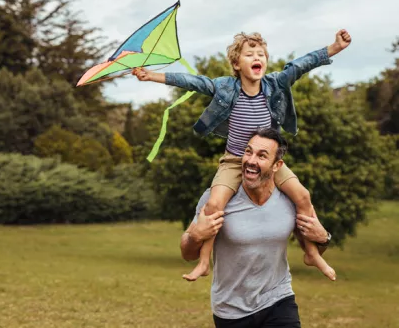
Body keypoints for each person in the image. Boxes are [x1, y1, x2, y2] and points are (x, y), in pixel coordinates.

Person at [133, 29, 351, 281]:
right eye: (249, 54)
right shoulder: (226, 88)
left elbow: (302, 63)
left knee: (303, 196)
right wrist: (152, 76)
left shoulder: (275, 83)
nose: (257, 57)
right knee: (213, 205)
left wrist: (334, 47)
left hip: (268, 162)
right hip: (234, 159)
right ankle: (204, 262)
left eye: (261, 54)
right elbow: (193, 81)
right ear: (237, 64)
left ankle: (312, 253)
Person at [180, 128, 332, 328]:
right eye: (248, 152)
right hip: (231, 310)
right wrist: (196, 236)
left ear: (277, 165)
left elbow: (312, 249)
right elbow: (187, 253)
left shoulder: (289, 200)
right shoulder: (217, 199)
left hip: (278, 299)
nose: (251, 161)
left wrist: (323, 237)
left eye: (262, 156)